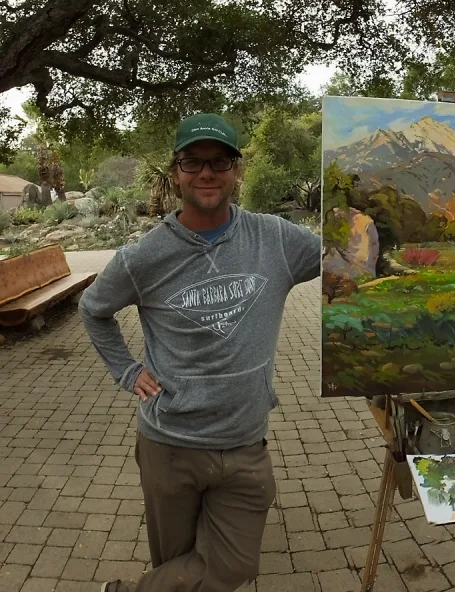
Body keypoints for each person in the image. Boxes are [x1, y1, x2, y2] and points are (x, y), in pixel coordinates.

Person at [79, 113, 321, 592]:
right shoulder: (141, 257)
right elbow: (93, 310)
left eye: (220, 162)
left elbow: (348, 260)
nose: (206, 173)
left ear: (237, 170)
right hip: (171, 445)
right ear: (176, 173)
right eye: (193, 162)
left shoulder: (275, 238)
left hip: (246, 442)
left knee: (231, 565)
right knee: (177, 563)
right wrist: (127, 371)